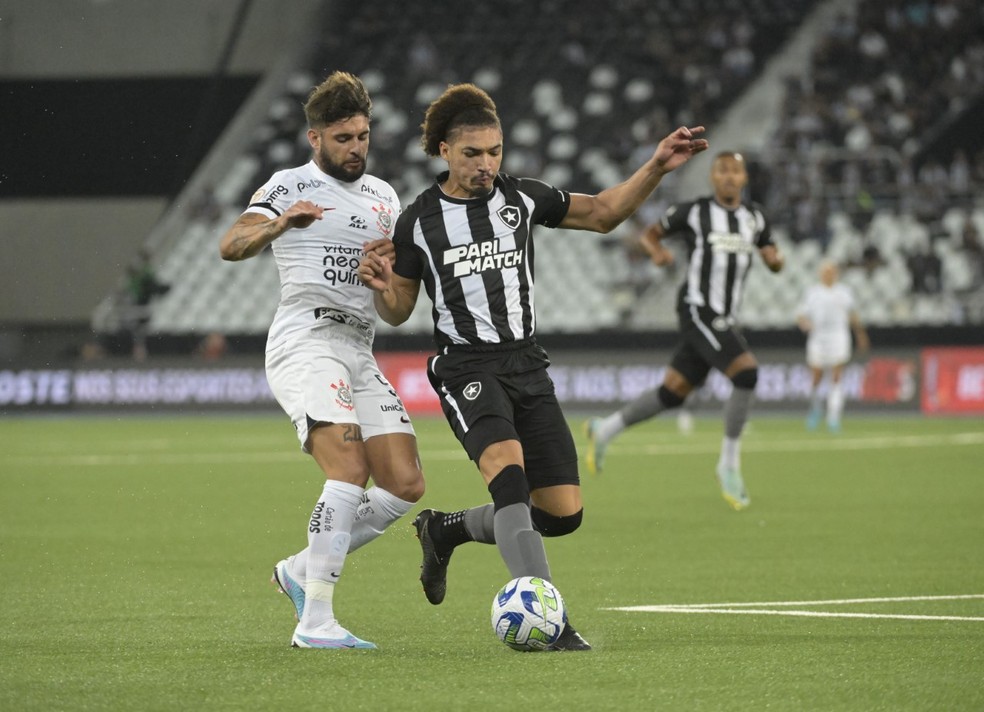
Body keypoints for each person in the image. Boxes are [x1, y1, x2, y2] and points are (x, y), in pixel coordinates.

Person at [358, 83, 707, 650]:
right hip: (467, 368)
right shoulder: (418, 221)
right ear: (445, 151)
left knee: (562, 513)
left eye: (494, 151)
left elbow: (602, 214)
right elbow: (397, 311)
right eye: (472, 154)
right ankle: (551, 620)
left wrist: (657, 167)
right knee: (511, 485)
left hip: (528, 366)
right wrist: (383, 289)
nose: (486, 164)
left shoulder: (521, 198)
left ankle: (446, 529)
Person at [219, 71, 425, 649]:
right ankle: (317, 622)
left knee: (405, 483)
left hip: (360, 346)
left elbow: (397, 312)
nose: (356, 148)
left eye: (362, 136)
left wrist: (386, 281)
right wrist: (283, 223)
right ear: (315, 139)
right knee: (349, 470)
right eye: (343, 139)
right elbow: (230, 245)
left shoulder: (385, 198)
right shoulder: (288, 185)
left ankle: (297, 570)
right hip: (305, 341)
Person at [584, 151, 784, 511]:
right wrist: (656, 253)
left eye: (734, 171)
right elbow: (651, 233)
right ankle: (729, 464)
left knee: (673, 392)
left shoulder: (755, 218)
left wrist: (775, 259)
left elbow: (771, 251)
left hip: (724, 316)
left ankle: (606, 429)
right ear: (712, 177)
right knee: (747, 373)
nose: (727, 177)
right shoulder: (694, 211)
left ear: (743, 179)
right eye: (721, 170)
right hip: (698, 308)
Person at [796, 260, 869, 433]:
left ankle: (833, 417)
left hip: (838, 336)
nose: (828, 275)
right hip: (818, 338)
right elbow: (800, 315)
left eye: (831, 272)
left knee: (836, 376)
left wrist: (860, 334)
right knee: (816, 377)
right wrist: (805, 323)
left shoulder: (844, 292)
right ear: (821, 274)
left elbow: (853, 314)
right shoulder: (813, 293)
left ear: (835, 274)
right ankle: (816, 409)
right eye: (825, 272)